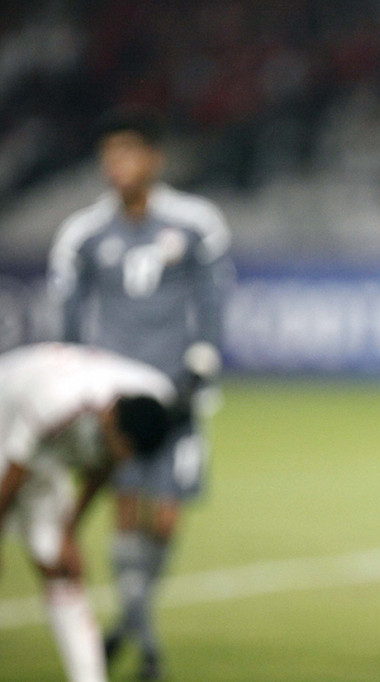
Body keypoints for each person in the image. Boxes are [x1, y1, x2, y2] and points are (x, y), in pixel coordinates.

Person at [47, 107, 233, 680]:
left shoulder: (196, 222)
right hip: (118, 402)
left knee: (168, 519)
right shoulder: (84, 232)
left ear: (154, 158)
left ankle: (128, 625)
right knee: (127, 511)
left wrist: (203, 357)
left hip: (177, 396)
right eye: (109, 155)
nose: (116, 166)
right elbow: (70, 314)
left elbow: (213, 297)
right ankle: (147, 648)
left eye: (127, 153)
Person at [0, 343, 176, 682]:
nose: (124, 459)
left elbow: (105, 462)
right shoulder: (57, 401)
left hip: (43, 451)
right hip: (6, 423)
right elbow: (14, 470)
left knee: (60, 564)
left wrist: (69, 532)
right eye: (122, 448)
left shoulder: (150, 399)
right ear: (109, 419)